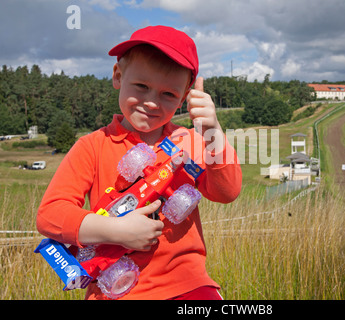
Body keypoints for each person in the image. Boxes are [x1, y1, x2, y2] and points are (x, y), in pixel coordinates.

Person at [36, 25, 242, 300]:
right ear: (118, 76)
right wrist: (115, 231)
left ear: (184, 98)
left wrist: (213, 132)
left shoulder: (191, 142)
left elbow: (227, 192)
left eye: (168, 94)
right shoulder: (92, 146)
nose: (152, 102)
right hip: (115, 291)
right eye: (142, 86)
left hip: (188, 286)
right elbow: (50, 215)